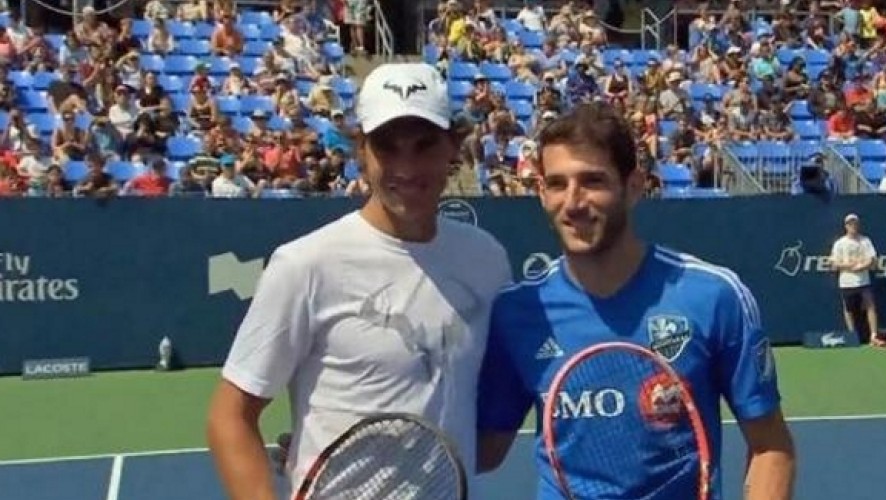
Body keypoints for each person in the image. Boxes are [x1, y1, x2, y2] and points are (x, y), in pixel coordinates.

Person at [206, 62, 512, 500]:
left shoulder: (487, 260)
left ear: (453, 147)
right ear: (361, 152)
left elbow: (482, 427)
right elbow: (230, 416)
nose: (407, 166)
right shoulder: (305, 264)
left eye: (424, 145)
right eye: (387, 147)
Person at [475, 102, 797, 499]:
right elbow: (485, 451)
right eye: (557, 184)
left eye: (592, 181)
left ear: (633, 187)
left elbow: (770, 447)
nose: (573, 202)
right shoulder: (517, 311)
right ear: (541, 192)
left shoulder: (714, 296)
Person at [830, 213, 886, 347]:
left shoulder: (865, 241)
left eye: (855, 224)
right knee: (848, 310)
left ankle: (873, 336)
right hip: (846, 283)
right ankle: (852, 337)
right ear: (846, 226)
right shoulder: (840, 243)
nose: (853, 226)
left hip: (863, 281)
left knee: (870, 306)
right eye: (850, 224)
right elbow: (834, 264)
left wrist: (862, 266)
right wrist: (849, 266)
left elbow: (872, 260)